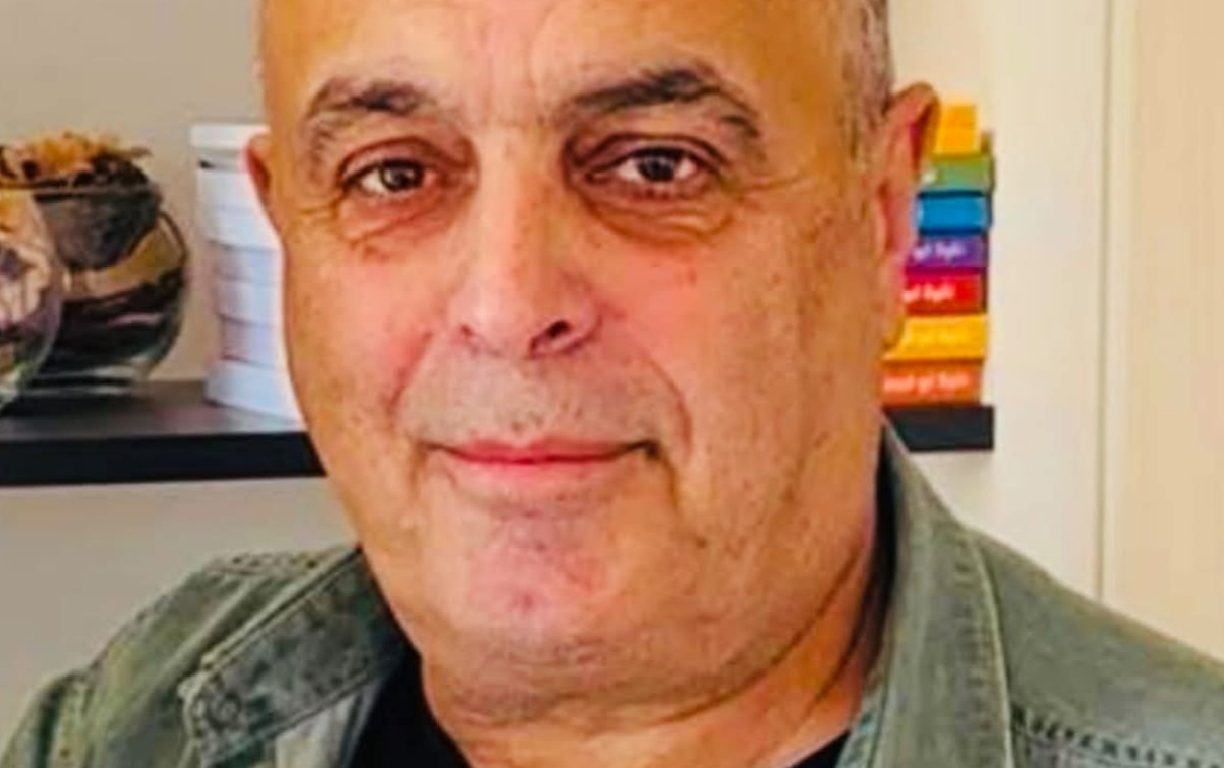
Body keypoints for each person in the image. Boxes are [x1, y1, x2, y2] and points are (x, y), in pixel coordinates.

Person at [7, 0, 1224, 766]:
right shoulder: (140, 714)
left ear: (882, 218)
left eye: (655, 165)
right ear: (287, 231)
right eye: (394, 174)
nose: (506, 304)